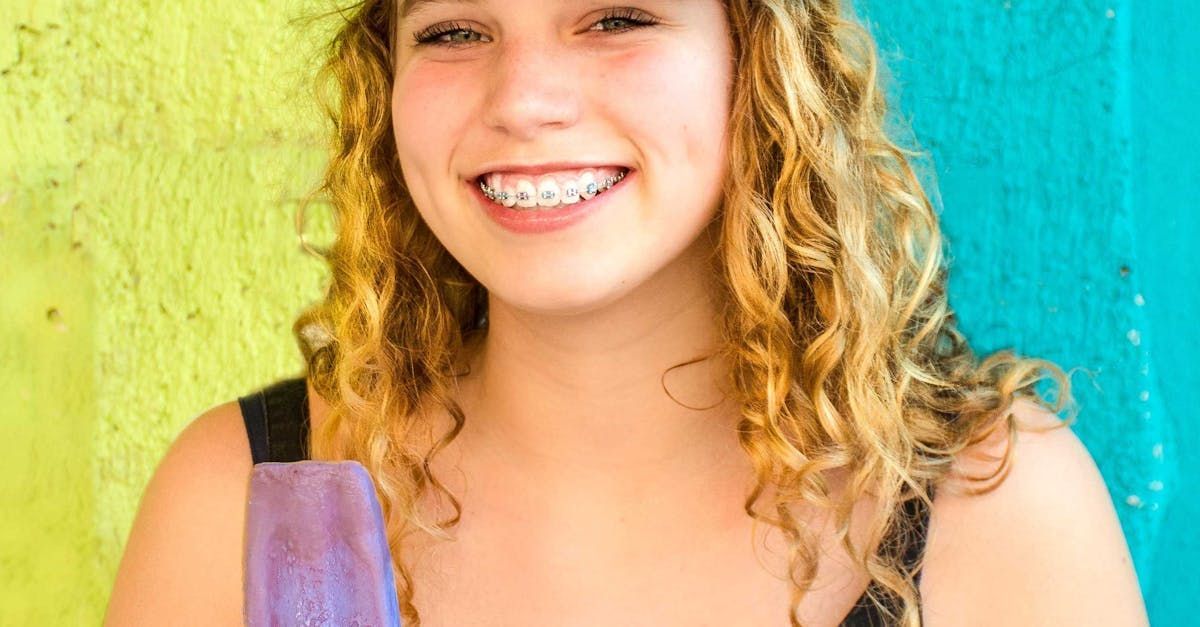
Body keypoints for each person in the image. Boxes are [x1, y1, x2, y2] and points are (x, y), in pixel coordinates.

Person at [104, 1, 1149, 625]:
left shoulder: (992, 513)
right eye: (457, 27)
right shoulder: (238, 496)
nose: (524, 98)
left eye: (616, 17)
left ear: (759, 57)